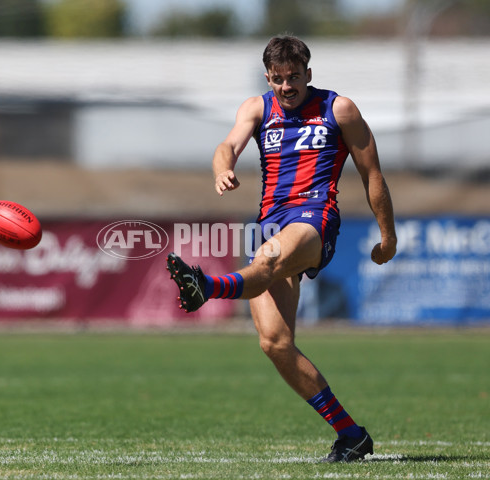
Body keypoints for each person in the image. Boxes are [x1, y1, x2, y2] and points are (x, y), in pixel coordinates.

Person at [166, 35, 397, 462]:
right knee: (275, 343)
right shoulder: (257, 108)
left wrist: (389, 236)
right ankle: (352, 435)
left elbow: (373, 175)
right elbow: (227, 146)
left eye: (294, 77)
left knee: (269, 259)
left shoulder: (338, 108)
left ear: (309, 74)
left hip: (314, 218)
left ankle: (207, 287)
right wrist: (223, 169)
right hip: (268, 223)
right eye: (278, 79)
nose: (286, 86)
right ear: (268, 78)